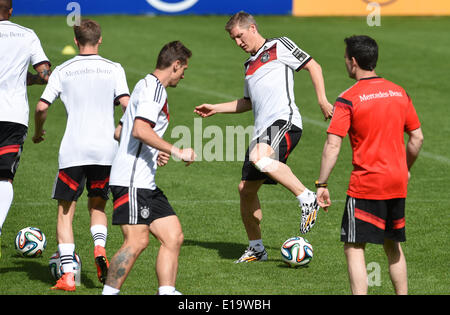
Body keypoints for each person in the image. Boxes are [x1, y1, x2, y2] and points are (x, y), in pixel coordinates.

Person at [194, 11, 333, 263]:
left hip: (285, 121)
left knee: (259, 157)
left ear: (252, 28)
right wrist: (216, 108)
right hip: (261, 132)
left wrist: (322, 99)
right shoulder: (248, 66)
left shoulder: (280, 45)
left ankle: (307, 198)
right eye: (233, 39)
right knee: (245, 190)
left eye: (239, 36)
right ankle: (257, 249)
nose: (238, 43)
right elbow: (247, 102)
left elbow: (313, 65)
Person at [315, 35, 424, 295]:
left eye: (345, 58)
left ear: (353, 62)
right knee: (393, 245)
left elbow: (333, 145)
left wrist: (321, 183)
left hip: (367, 184)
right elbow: (417, 138)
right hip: (397, 180)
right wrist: (405, 168)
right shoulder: (400, 92)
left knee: (354, 246)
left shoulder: (348, 98)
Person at [33, 19, 130, 291]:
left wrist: (39, 131)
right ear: (100, 40)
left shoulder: (63, 70)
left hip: (73, 150)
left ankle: (68, 276)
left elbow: (41, 107)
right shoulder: (114, 68)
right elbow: (126, 104)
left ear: (76, 41)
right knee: (97, 206)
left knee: (65, 213)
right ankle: (99, 249)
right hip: (105, 151)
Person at [102, 41, 196, 296]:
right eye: (183, 69)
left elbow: (119, 131)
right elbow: (140, 130)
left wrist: (153, 152)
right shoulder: (155, 90)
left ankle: (166, 292)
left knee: (173, 235)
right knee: (137, 241)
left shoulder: (143, 85)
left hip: (144, 180)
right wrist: (176, 150)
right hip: (133, 181)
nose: (184, 75)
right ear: (175, 65)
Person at [0, 0, 51, 258]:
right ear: (10, 11)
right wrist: (27, 79)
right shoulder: (26, 34)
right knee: (4, 177)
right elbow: (44, 74)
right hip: (11, 116)